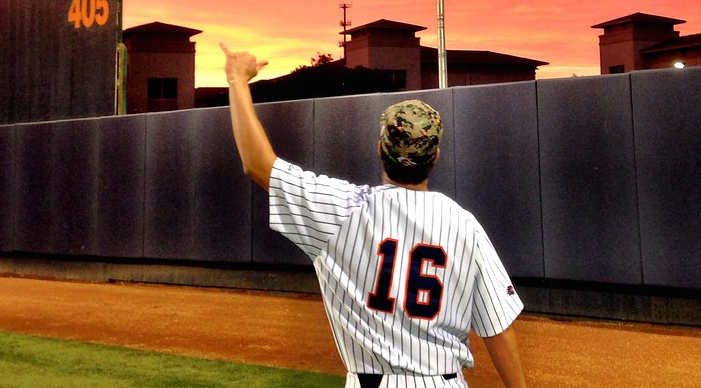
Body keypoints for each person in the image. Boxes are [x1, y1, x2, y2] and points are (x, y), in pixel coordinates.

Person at [221, 44, 528, 388]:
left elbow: (257, 163)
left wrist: (237, 79)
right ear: (436, 156)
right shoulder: (465, 225)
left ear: (380, 147)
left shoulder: (343, 210)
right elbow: (498, 328)